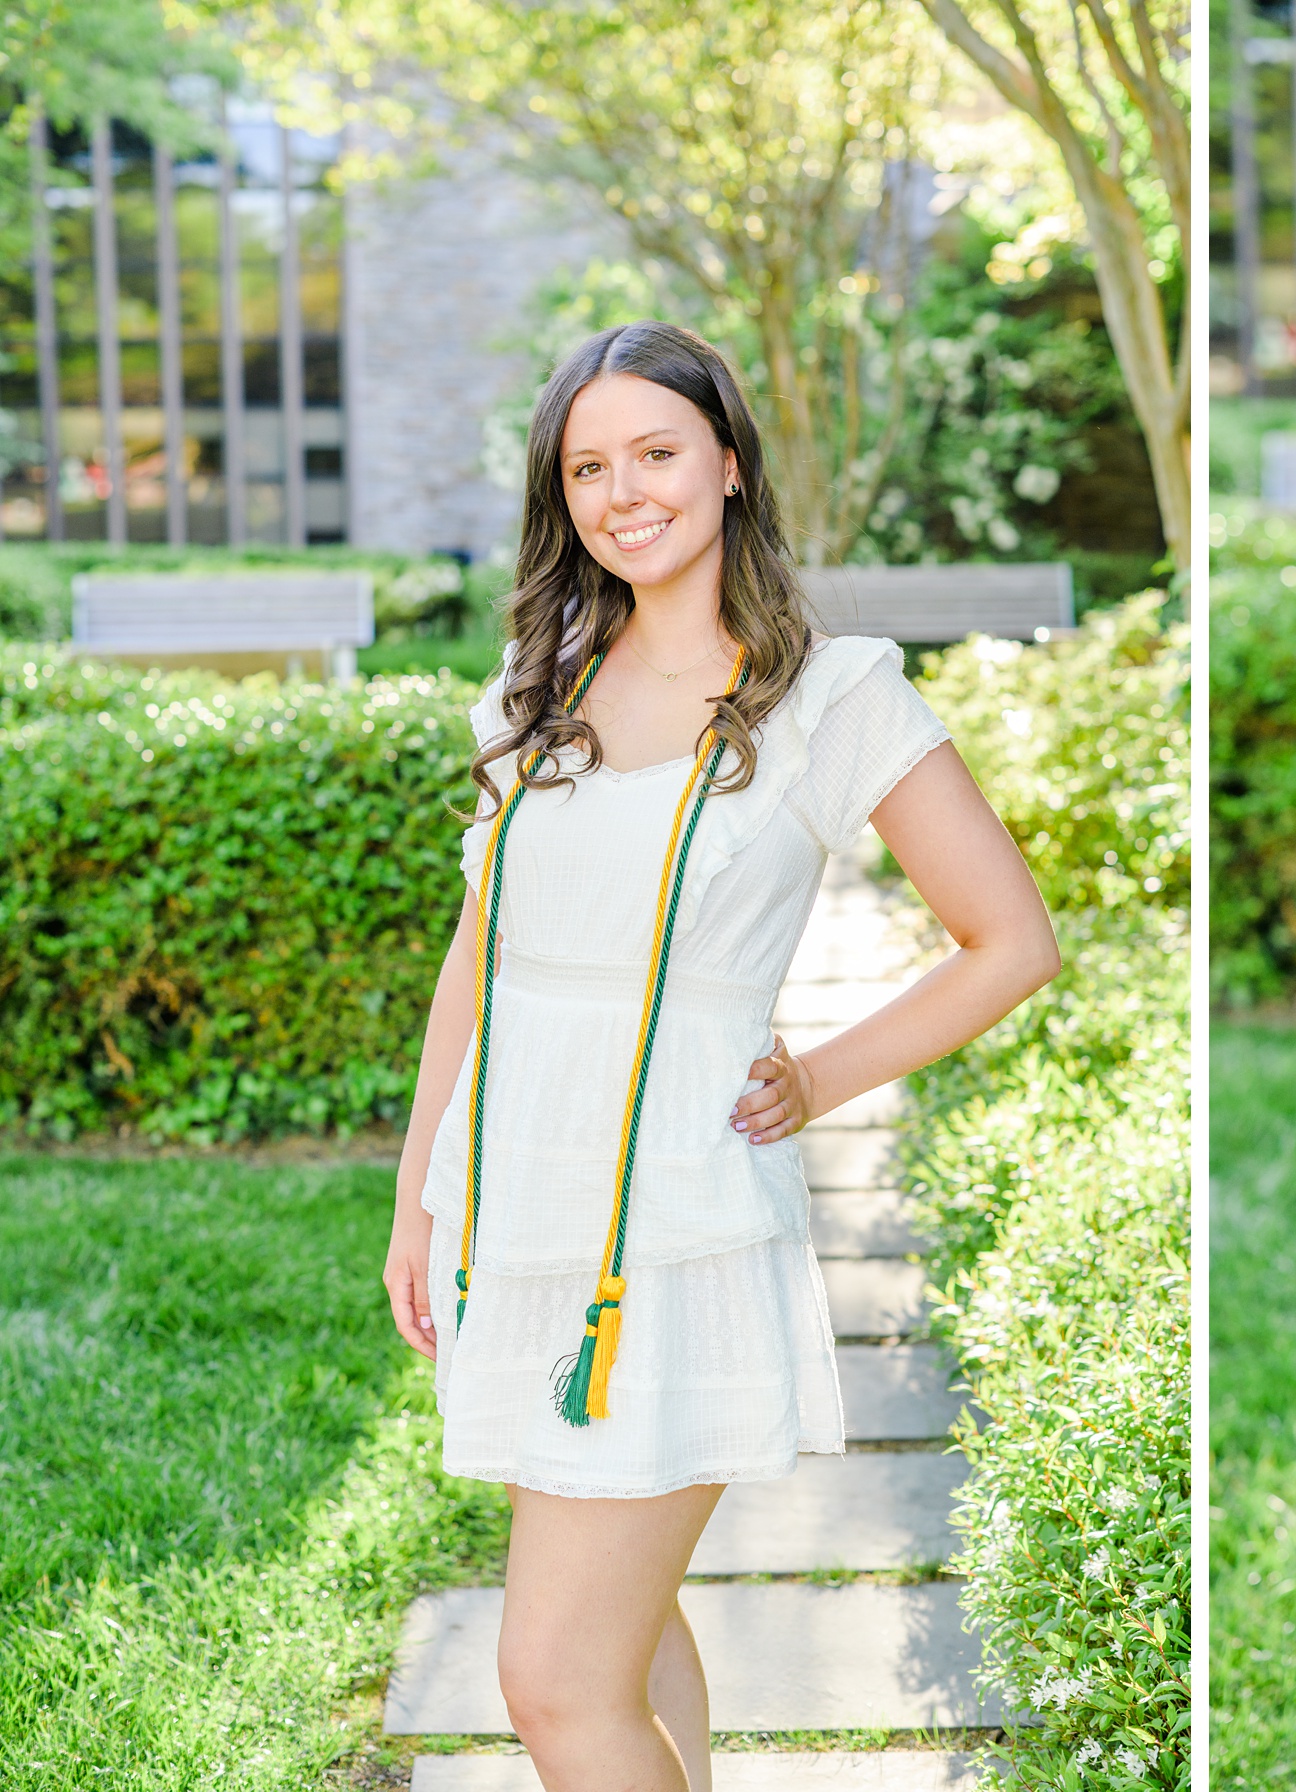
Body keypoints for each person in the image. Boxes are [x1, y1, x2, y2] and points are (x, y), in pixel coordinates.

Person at [380, 321, 1060, 1792]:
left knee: (553, 1681)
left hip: (669, 1232)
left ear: (730, 463)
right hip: (520, 1211)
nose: (624, 491)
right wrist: (418, 1197)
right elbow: (476, 952)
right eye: (588, 466)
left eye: (657, 452)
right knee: (623, 1640)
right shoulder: (536, 682)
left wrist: (820, 1079)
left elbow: (1011, 939)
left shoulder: (829, 695)